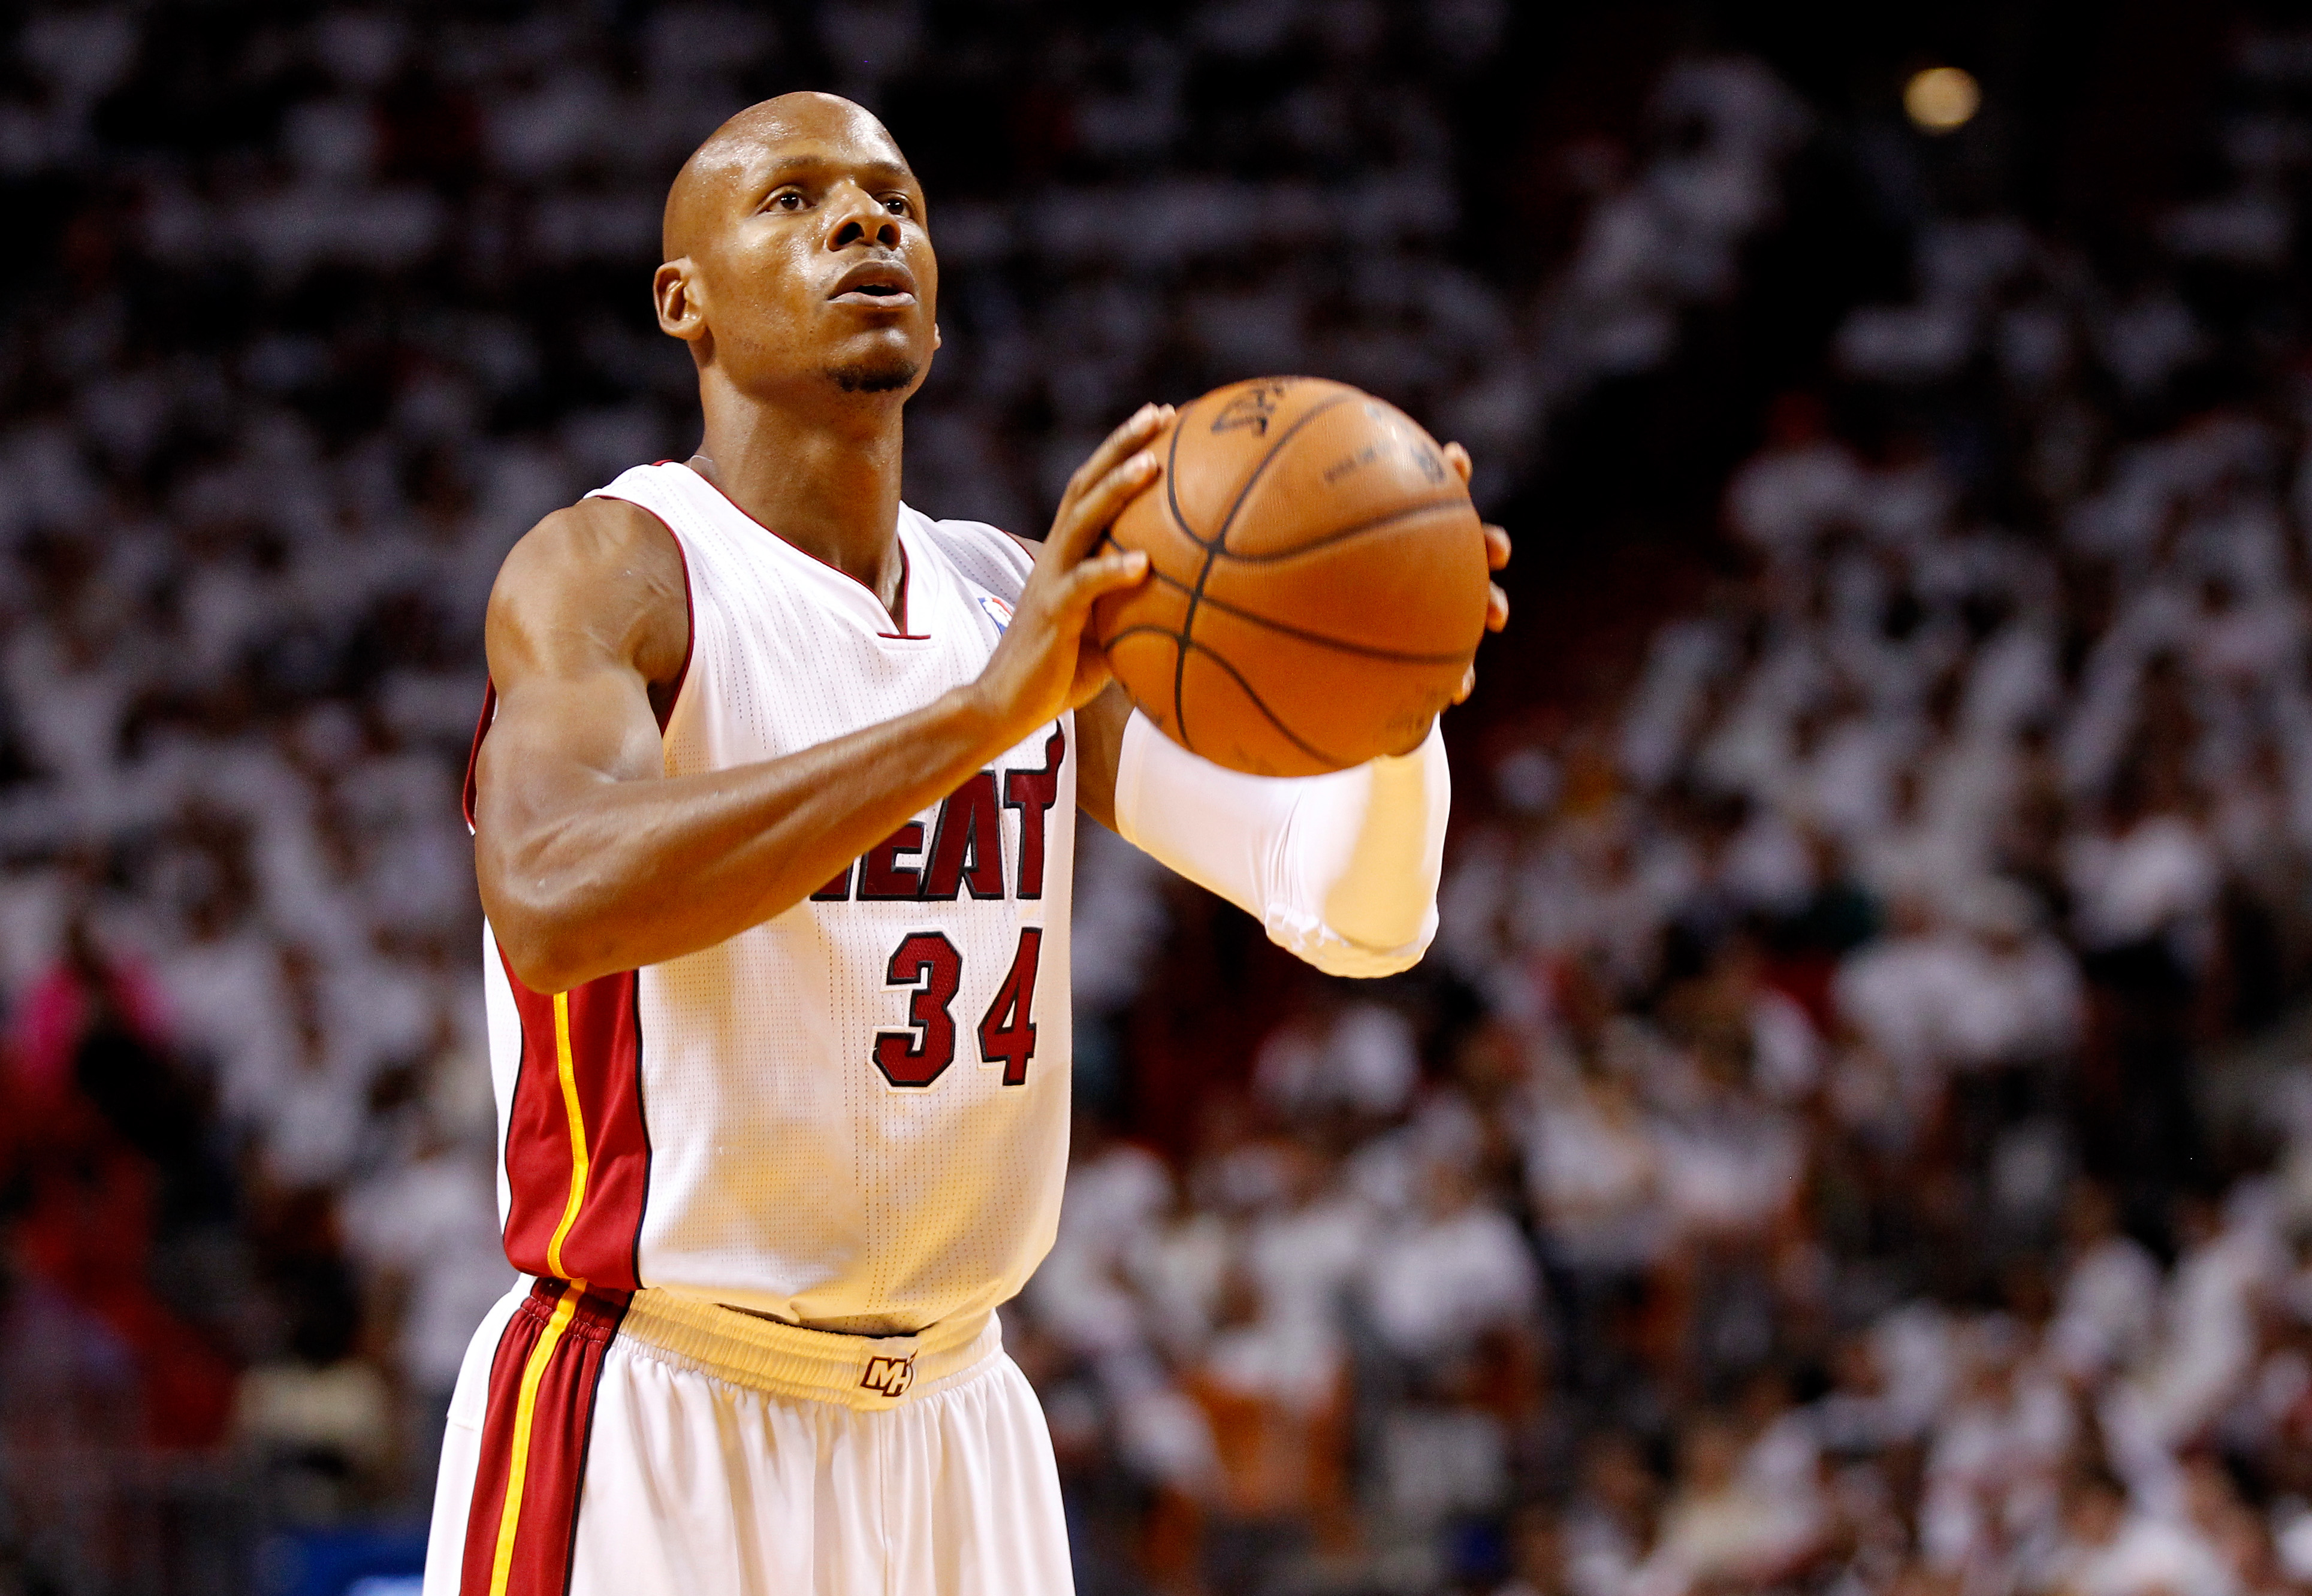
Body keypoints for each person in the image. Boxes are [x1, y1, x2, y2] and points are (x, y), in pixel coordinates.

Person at [421, 92, 1509, 1596]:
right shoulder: (616, 568)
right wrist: (983, 718)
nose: (865, 221)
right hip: (657, 1403)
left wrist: (1388, 698)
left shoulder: (1015, 597)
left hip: (959, 1422)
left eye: (898, 203)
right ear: (685, 302)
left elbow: (1352, 913)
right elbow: (550, 898)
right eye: (793, 201)